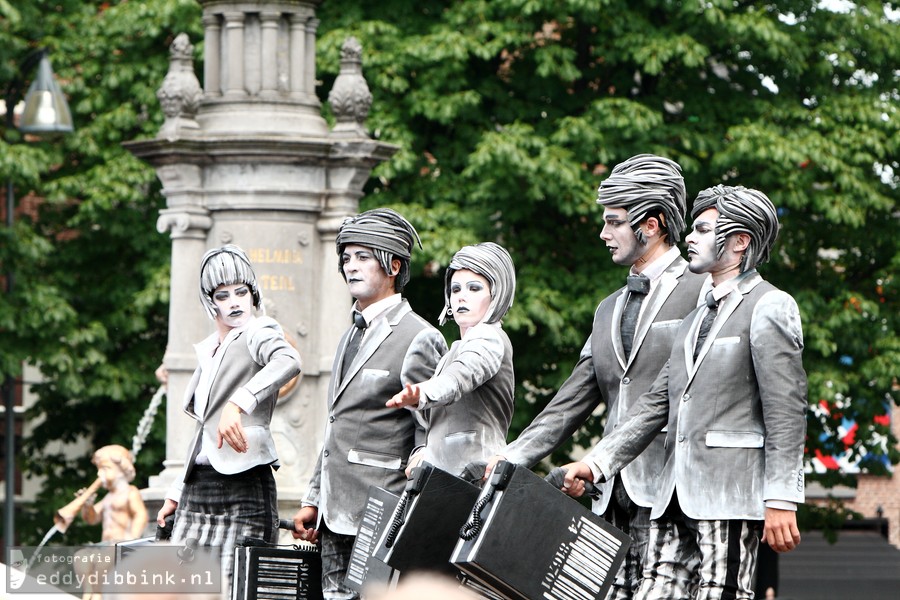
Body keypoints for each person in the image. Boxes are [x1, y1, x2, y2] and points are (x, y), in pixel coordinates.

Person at [562, 184, 808, 599]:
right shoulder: (694, 318)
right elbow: (655, 404)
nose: (689, 238)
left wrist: (782, 496)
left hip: (729, 494)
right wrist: (597, 464)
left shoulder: (771, 304)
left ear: (739, 241)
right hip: (671, 492)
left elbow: (787, 410)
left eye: (702, 229)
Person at [483, 153, 706, 599]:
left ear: (655, 223)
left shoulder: (704, 292)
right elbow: (570, 401)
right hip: (608, 497)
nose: (603, 234)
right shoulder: (608, 309)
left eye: (615, 222)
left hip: (675, 492)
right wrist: (511, 457)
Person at [291, 208, 447, 600]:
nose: (351, 266)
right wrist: (314, 500)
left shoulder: (420, 337)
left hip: (384, 514)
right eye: (346, 258)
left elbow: (429, 438)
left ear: (393, 265)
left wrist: (410, 516)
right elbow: (336, 426)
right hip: (333, 515)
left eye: (363, 257)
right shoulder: (348, 337)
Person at [155, 244, 302, 584]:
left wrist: (239, 402)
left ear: (253, 294)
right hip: (198, 489)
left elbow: (289, 361)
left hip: (244, 483)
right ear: (210, 302)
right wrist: (177, 492)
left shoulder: (260, 331)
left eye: (241, 291)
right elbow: (203, 433)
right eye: (223, 295)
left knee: (237, 586)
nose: (235, 302)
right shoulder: (210, 349)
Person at [386, 242, 516, 476]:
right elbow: (438, 425)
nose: (461, 297)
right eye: (455, 289)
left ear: (496, 294)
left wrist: (423, 393)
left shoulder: (490, 337)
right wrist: (423, 453)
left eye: (474, 288)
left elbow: (460, 376)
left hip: (478, 479)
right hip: (446, 483)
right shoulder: (455, 349)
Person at [81, 444, 148, 542]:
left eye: (105, 468)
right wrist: (88, 506)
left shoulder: (130, 492)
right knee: (81, 555)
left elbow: (141, 515)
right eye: (98, 469)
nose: (99, 474)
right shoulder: (108, 497)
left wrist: (133, 538)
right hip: (107, 544)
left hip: (122, 542)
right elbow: (92, 519)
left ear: (121, 470)